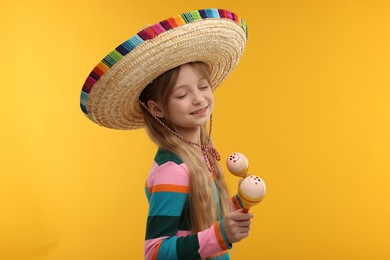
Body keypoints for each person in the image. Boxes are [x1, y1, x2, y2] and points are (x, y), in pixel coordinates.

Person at [80, 8, 252, 260]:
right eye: (182, 95)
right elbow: (155, 252)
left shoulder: (200, 153)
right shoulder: (173, 168)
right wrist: (222, 233)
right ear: (157, 108)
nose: (198, 99)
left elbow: (200, 220)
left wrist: (239, 203)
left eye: (203, 86)